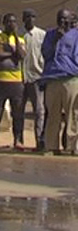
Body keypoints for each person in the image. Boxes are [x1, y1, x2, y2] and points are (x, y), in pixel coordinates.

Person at [41, 9, 78, 156]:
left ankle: (72, 147)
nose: (61, 21)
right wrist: (56, 39)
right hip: (53, 78)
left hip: (71, 78)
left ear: (70, 20)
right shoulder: (50, 34)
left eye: (64, 19)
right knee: (53, 115)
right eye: (59, 18)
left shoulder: (76, 35)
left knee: (73, 115)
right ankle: (51, 146)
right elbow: (45, 54)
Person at [0, 13, 26, 150]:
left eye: (14, 22)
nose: (11, 24)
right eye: (8, 21)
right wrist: (11, 53)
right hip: (0, 81)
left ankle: (18, 140)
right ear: (3, 23)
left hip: (16, 82)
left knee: (18, 113)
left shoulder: (20, 39)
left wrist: (14, 36)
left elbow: (21, 56)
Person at [21, 8, 47, 151]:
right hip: (20, 78)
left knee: (39, 110)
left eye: (33, 16)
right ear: (23, 19)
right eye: (27, 17)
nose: (30, 19)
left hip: (37, 77)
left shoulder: (41, 35)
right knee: (18, 111)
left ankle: (39, 141)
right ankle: (19, 141)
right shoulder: (19, 35)